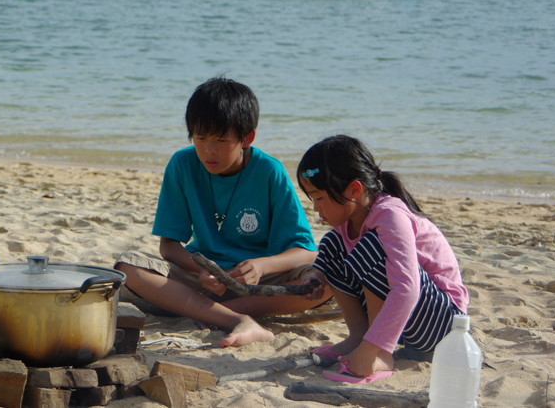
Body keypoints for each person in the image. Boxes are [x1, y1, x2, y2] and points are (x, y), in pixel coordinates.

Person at [115, 77, 321, 348]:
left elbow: (306, 250)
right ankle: (236, 318)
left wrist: (261, 265)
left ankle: (207, 310)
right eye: (200, 138)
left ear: (247, 138)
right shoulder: (182, 164)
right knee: (127, 267)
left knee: (323, 281)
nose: (209, 150)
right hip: (202, 277)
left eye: (221, 140)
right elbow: (169, 247)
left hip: (258, 280)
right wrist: (200, 270)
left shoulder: (270, 171)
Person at [295, 135, 469, 383]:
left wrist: (372, 349)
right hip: (407, 325)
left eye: (319, 197)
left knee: (373, 246)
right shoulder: (351, 222)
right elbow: (329, 258)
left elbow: (407, 289)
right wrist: (316, 276)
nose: (315, 208)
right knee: (332, 243)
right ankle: (359, 336)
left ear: (354, 189)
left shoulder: (390, 216)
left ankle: (380, 352)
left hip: (442, 328)